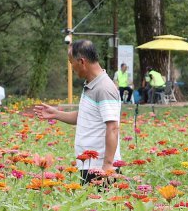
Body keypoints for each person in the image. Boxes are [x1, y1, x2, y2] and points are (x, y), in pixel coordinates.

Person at [33, 40, 122, 184]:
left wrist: (108, 165)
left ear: (81, 61)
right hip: (89, 164)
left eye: (71, 62)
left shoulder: (104, 88)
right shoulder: (91, 85)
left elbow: (113, 127)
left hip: (100, 167)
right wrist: (55, 113)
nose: (71, 67)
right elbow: (84, 117)